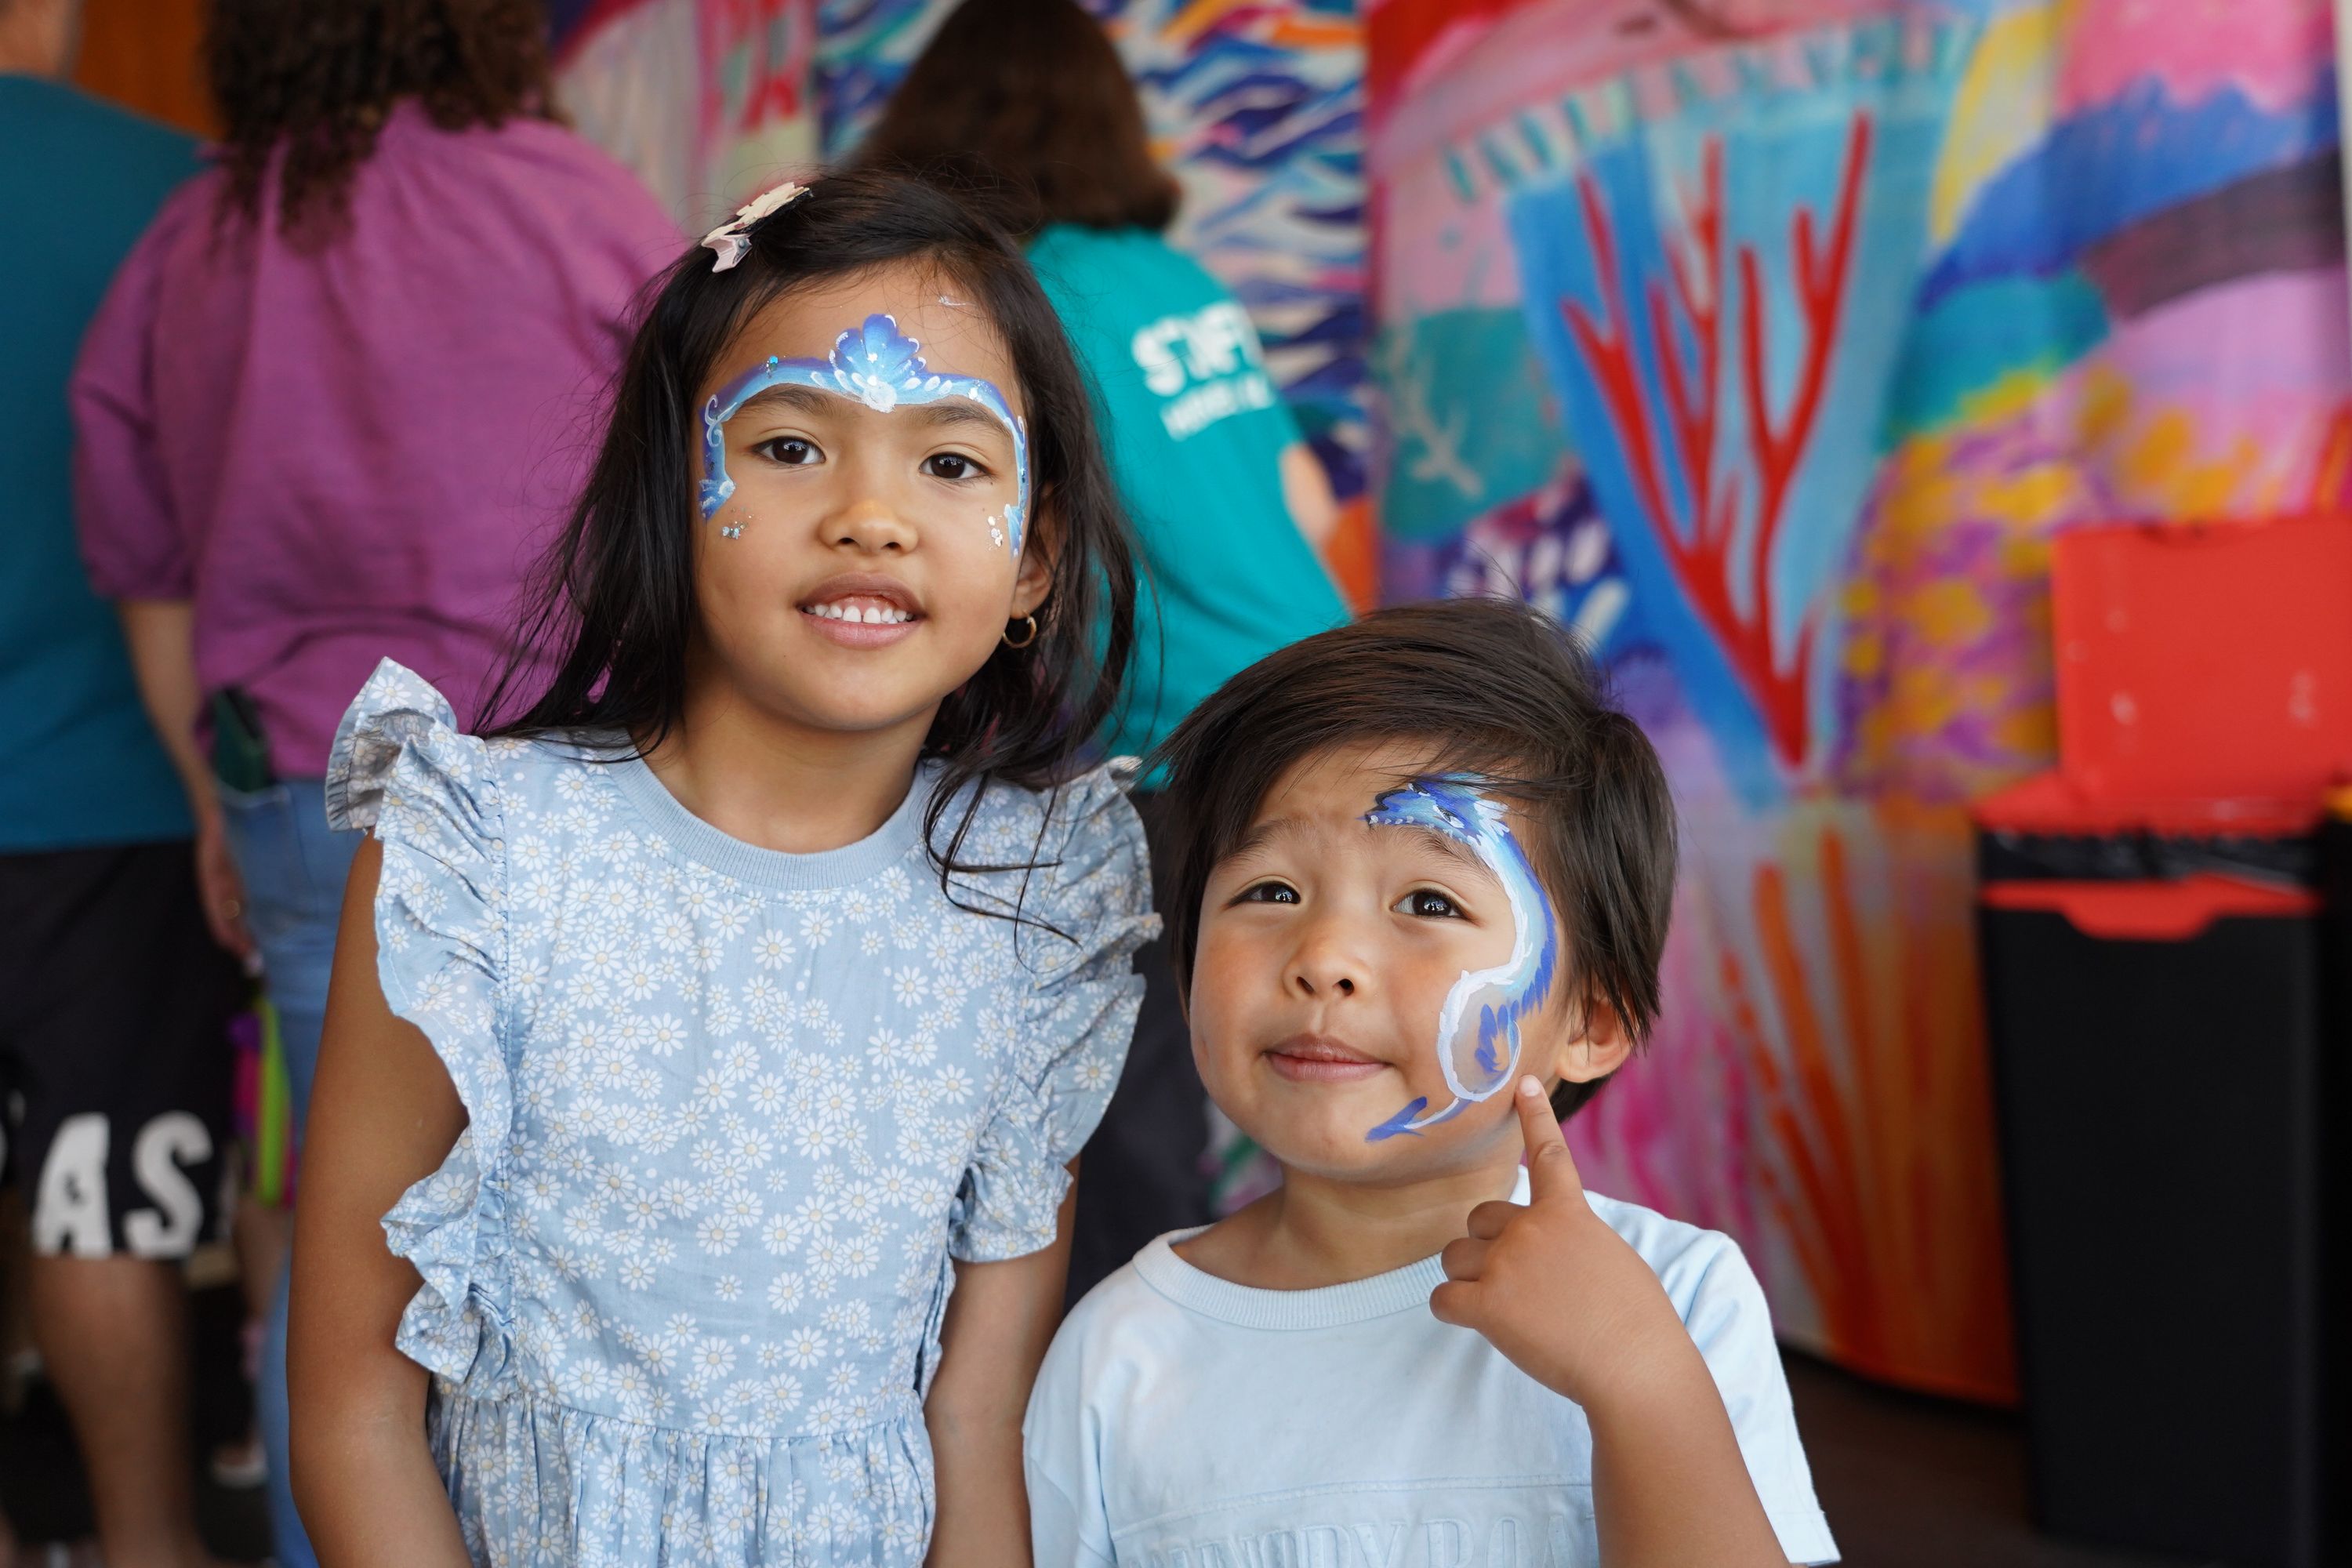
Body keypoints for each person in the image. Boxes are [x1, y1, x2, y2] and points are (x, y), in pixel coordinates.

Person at [286, 169, 1154, 1565]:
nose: (873, 514)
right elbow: (351, 1412)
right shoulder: (482, 858)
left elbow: (978, 1422)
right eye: (791, 446)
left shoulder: (1033, 898)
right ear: (669, 495)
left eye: (951, 462)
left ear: (1036, 555)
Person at [69, 3, 680, 1560]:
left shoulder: (198, 229)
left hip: (299, 793)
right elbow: (700, 509)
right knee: (574, 1247)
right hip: (559, 786)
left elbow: (146, 567)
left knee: (340, 1257)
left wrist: (216, 802)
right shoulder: (575, 197)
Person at [1025, 599, 1839, 1566]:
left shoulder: (1678, 1298)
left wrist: (1639, 1380)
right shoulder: (1119, 1349)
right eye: (1270, 890)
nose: (1323, 956)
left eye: (1428, 899)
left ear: (1593, 1022)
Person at [857, 0, 1351, 1301]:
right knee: (1192, 1097)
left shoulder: (1006, 301)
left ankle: (1113, 1412)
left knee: (1119, 1119)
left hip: (1169, 742)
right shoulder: (1177, 282)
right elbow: (1306, 503)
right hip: (1316, 707)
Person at [0, 3, 245, 1565]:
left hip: (109, 786)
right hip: (121, 787)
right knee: (104, 1199)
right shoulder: (191, 194)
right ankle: (152, 1542)